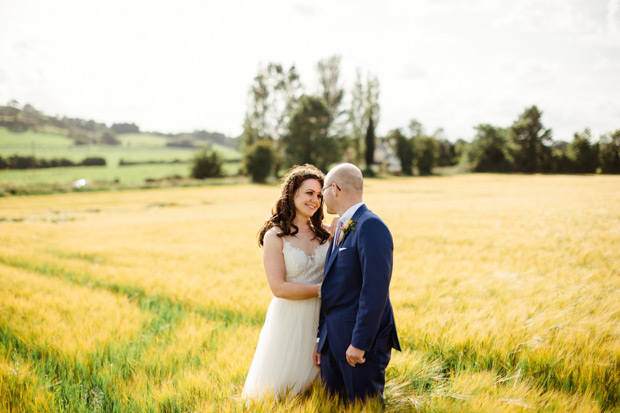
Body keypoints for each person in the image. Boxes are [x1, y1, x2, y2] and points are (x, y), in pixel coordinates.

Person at [242, 164, 334, 400]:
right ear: (292, 194)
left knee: (319, 389)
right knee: (280, 389)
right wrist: (325, 290)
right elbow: (278, 288)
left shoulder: (328, 233)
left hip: (324, 318)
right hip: (290, 319)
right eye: (309, 193)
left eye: (319, 195)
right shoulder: (276, 236)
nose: (315, 200)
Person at [313, 163, 401, 403]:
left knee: (364, 407)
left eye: (323, 191)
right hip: (333, 341)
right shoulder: (340, 226)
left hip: (358, 346)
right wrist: (322, 339)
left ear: (336, 189)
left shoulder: (370, 225)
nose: (321, 197)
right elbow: (332, 287)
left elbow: (375, 291)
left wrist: (360, 344)